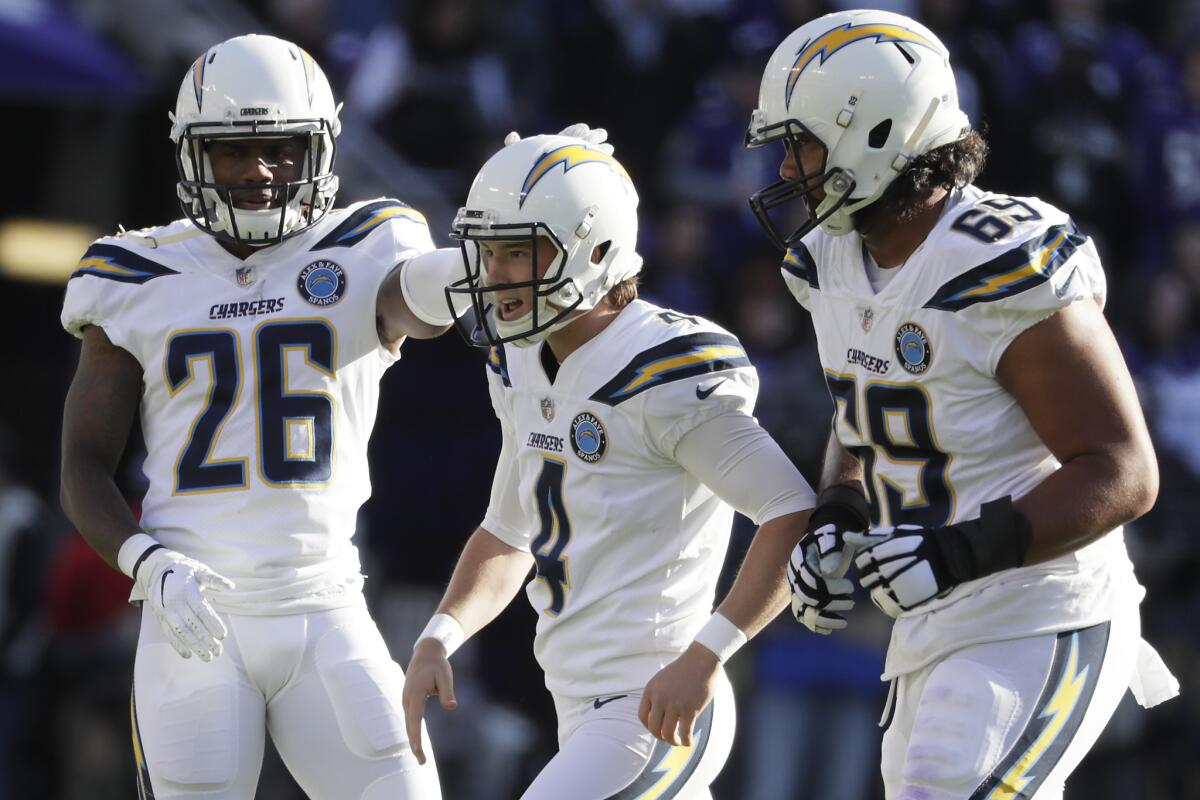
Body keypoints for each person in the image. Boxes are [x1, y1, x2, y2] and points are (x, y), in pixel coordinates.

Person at [744, 9, 1181, 799]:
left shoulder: (992, 260)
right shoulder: (830, 261)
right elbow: (867, 406)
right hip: (934, 627)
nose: (785, 173)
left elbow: (1123, 470)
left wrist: (953, 554)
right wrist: (840, 512)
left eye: (799, 144)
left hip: (1041, 610)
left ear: (877, 133)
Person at [58, 34, 473, 799]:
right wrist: (146, 563)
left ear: (318, 148)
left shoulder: (366, 243)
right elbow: (82, 464)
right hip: (192, 615)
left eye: (282, 148)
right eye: (232, 152)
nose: (258, 171)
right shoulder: (132, 271)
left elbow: (424, 302)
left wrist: (484, 257)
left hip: (326, 605)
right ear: (191, 154)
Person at [399, 132, 818, 799]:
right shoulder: (519, 358)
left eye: (519, 251)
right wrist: (439, 636)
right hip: (579, 704)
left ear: (594, 252)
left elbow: (791, 511)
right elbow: (508, 535)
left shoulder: (662, 371)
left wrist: (708, 654)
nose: (496, 273)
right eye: (490, 250)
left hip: (652, 702)